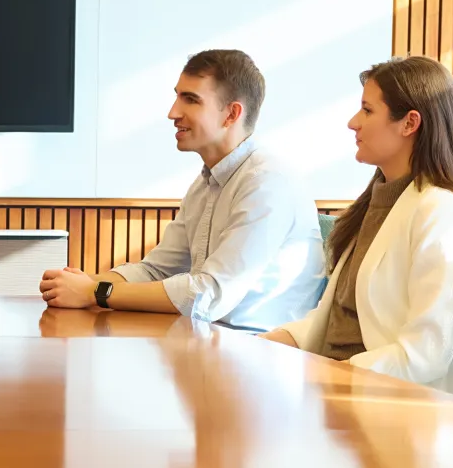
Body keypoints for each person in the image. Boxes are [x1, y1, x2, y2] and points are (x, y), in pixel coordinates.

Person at [39, 49, 327, 332]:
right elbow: (157, 270)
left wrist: (94, 292)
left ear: (231, 114)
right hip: (210, 343)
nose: (172, 112)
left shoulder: (267, 182)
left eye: (190, 100)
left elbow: (208, 295)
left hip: (263, 354)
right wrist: (85, 285)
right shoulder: (205, 183)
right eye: (177, 96)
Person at [261, 56, 453, 395]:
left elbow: (425, 354)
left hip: (382, 404)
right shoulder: (375, 203)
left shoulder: (446, 215)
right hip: (337, 390)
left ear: (409, 123)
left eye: (367, 110)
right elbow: (334, 323)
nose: (353, 123)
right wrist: (260, 346)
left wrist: (321, 377)